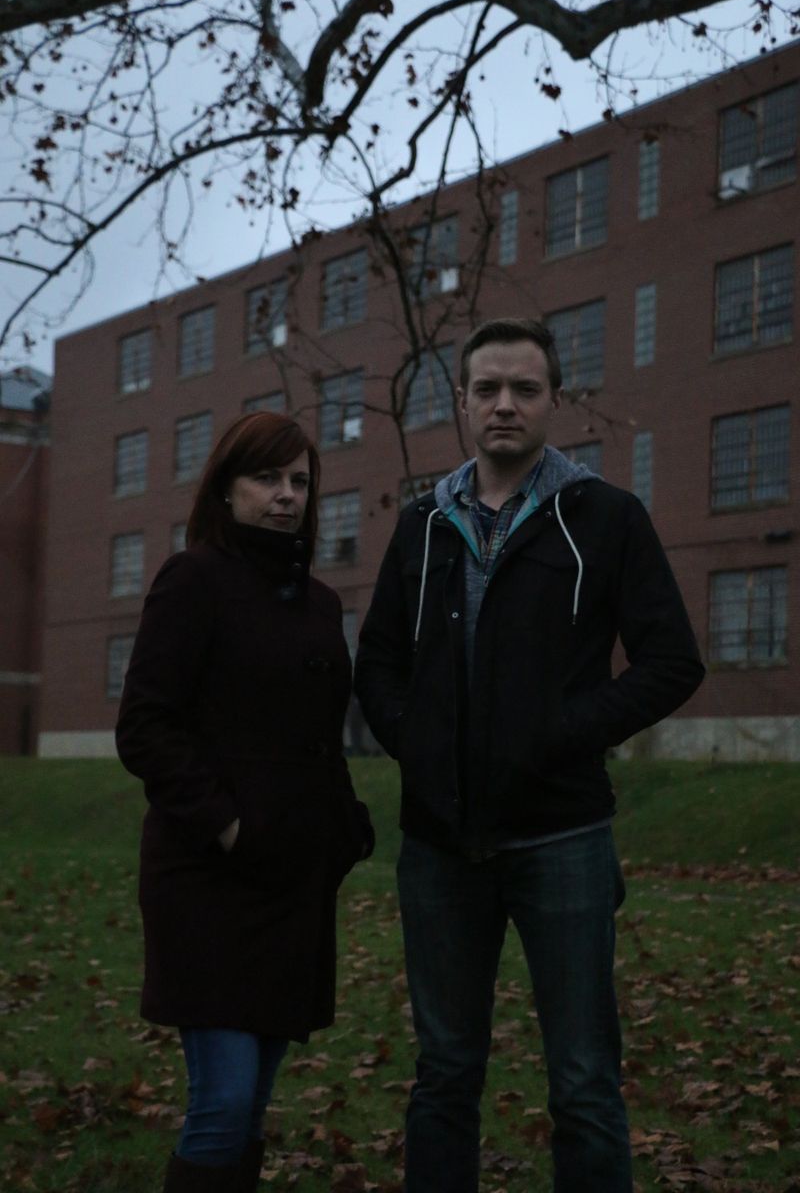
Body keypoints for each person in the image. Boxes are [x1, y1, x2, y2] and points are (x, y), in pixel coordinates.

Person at [354, 318, 704, 1193]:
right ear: (462, 404)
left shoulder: (608, 518)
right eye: (486, 389)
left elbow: (672, 662)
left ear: (556, 400)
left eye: (524, 388)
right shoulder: (423, 526)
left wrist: (566, 735)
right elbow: (379, 665)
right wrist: (422, 749)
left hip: (563, 838)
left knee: (583, 1081)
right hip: (439, 844)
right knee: (444, 1076)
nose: (504, 404)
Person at [116, 411, 374, 1193]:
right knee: (222, 1106)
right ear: (226, 489)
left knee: (252, 1109)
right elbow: (147, 726)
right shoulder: (193, 579)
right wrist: (227, 826)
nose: (286, 495)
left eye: (301, 481)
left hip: (292, 884)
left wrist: (344, 826)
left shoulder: (323, 604)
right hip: (208, 879)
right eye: (267, 478)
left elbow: (317, 736)